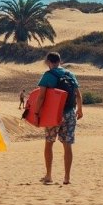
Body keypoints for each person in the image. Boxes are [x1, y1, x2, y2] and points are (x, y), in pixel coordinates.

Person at [35, 52, 83, 185]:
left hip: (53, 115)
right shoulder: (70, 74)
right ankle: (67, 178)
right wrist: (80, 109)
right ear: (60, 61)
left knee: (49, 143)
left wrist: (37, 112)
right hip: (69, 113)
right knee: (67, 145)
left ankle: (49, 175)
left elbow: (41, 96)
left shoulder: (48, 75)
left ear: (48, 62)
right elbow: (78, 95)